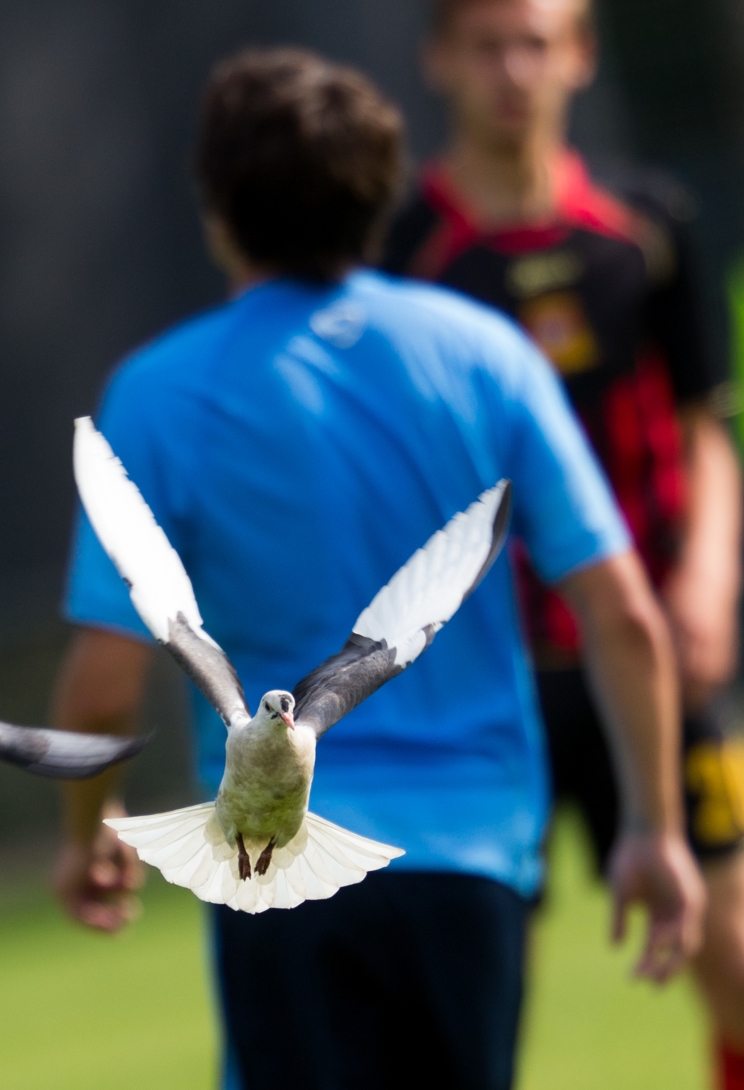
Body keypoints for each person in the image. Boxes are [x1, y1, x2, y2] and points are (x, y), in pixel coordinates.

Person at [51, 47, 704, 1090]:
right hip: (474, 858)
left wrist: (86, 835)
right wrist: (654, 830)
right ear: (378, 196)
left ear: (216, 208)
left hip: (276, 863)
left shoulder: (159, 392)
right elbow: (622, 613)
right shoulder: (486, 352)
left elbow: (100, 684)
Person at [379, 0, 744, 1084]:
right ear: (439, 60)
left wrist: (707, 578)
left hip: (652, 659)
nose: (512, 71)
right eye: (486, 46)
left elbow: (706, 423)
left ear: (578, 55)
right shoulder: (402, 254)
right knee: (468, 1011)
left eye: (535, 44)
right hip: (487, 686)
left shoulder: (647, 223)